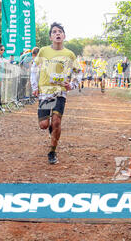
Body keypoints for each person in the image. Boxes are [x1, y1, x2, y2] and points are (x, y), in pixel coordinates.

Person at [31, 22, 81, 165]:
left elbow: (79, 72)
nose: (57, 33)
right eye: (54, 32)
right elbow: (34, 69)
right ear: (50, 37)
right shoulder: (44, 51)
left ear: (64, 36)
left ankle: (52, 151)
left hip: (60, 92)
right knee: (44, 124)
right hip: (45, 92)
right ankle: (53, 131)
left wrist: (72, 84)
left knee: (57, 121)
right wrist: (34, 86)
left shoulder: (69, 54)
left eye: (60, 31)